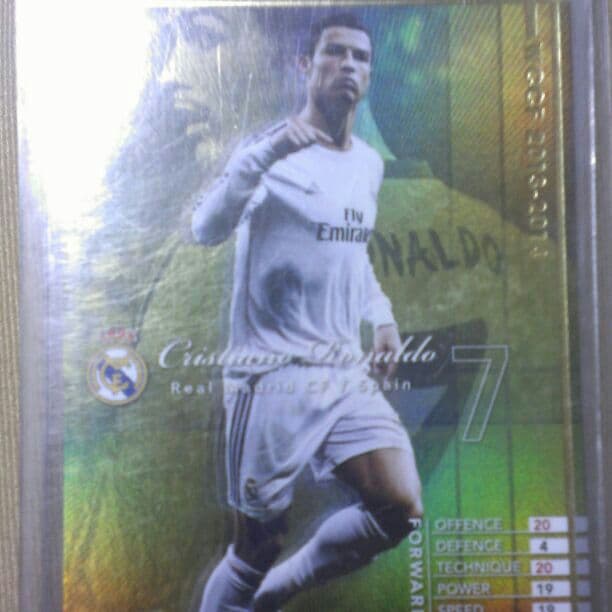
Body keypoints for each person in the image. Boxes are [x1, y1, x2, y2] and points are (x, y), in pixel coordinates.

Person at [191, 13, 423, 611]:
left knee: (399, 508)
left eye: (361, 58)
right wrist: (261, 158)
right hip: (272, 377)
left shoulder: (368, 163)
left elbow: (350, 248)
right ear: (305, 65)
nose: (349, 65)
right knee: (256, 547)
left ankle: (268, 599)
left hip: (343, 371)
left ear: (369, 76)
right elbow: (205, 229)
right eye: (335, 53)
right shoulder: (270, 152)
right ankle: (248, 593)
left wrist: (382, 316)